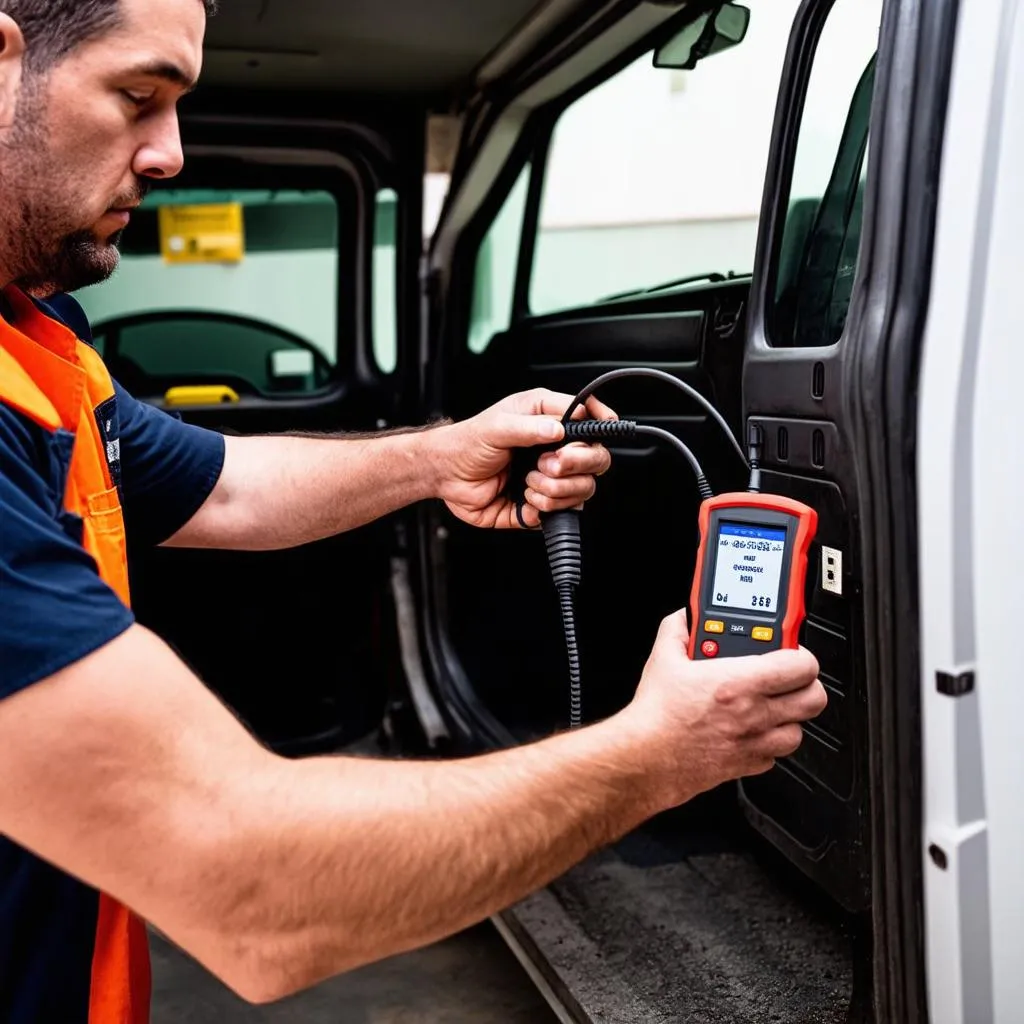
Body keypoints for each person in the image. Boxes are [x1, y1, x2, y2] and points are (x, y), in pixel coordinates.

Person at [0, 0, 829, 1020]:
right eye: (139, 96)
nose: (171, 153)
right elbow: (258, 887)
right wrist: (656, 755)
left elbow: (219, 483)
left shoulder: (40, 340)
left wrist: (442, 455)